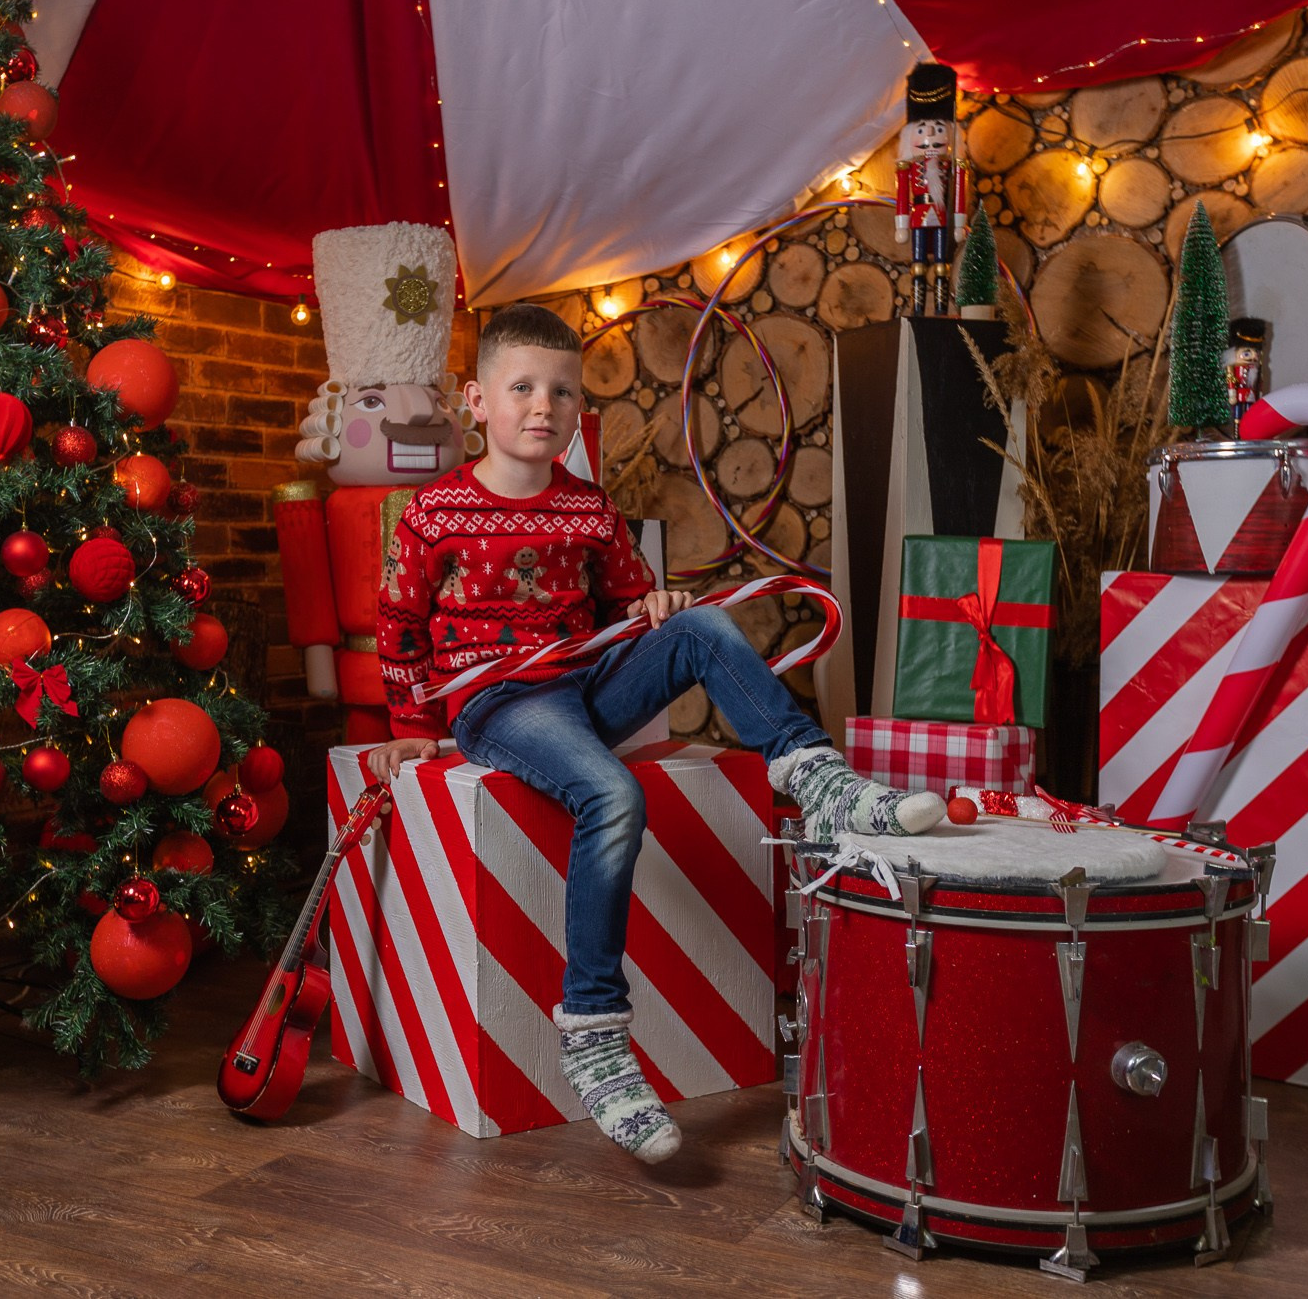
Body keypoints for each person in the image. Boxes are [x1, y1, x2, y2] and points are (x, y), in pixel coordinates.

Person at [367, 304, 944, 1163]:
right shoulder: (434, 512)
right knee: (612, 791)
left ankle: (819, 783)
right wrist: (413, 725)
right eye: (521, 387)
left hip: (585, 685)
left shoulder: (590, 509)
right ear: (476, 401)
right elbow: (399, 626)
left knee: (703, 627)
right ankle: (595, 1032)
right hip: (500, 703)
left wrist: (655, 610)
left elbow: (622, 610)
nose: (543, 406)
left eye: (562, 392)